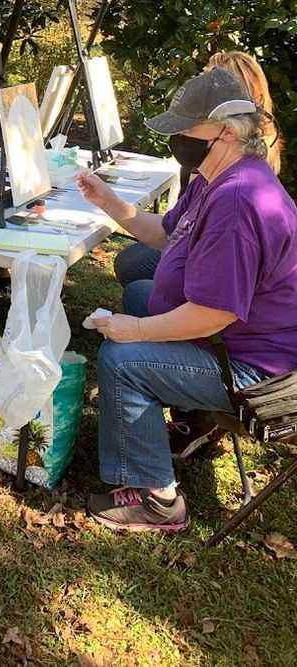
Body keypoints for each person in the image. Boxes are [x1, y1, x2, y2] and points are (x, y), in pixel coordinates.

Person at [77, 67, 297, 533]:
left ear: (226, 132)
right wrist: (109, 203)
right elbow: (166, 234)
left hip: (258, 371)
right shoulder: (215, 176)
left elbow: (213, 314)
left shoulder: (238, 201)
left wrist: (135, 332)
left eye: (186, 128)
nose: (177, 138)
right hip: (235, 343)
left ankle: (156, 499)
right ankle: (187, 418)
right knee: (140, 292)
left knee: (121, 360)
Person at [114, 49, 283, 288]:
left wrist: (141, 323)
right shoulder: (230, 162)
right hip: (198, 252)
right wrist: (107, 200)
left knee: (136, 280)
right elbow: (176, 227)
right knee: (133, 265)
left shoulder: (234, 194)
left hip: (207, 264)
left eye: (210, 80)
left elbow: (216, 297)